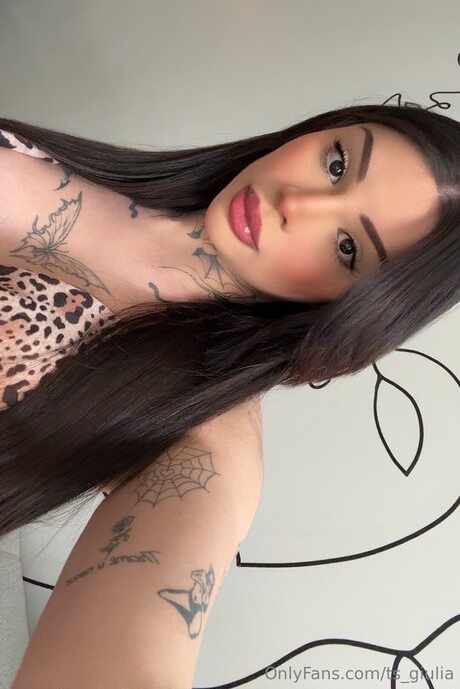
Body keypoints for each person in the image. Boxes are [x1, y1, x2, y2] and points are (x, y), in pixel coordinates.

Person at [2, 102, 459, 687]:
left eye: (348, 247)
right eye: (337, 164)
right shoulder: (109, 173)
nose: (296, 204)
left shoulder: (206, 432)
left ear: (352, 310)